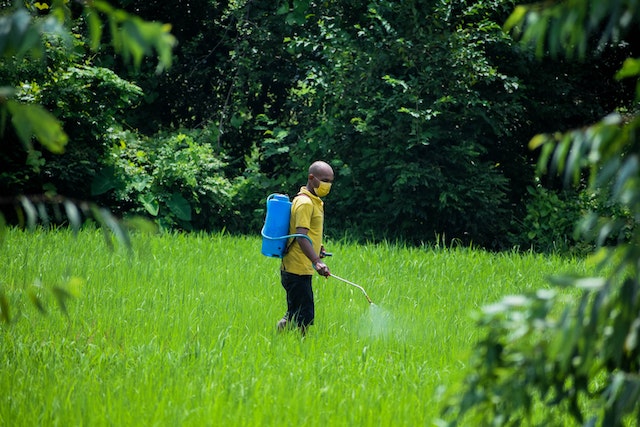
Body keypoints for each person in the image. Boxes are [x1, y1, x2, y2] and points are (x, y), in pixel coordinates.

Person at [277, 160, 334, 334]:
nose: (328, 185)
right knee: (303, 317)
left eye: (330, 181)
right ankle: (299, 348)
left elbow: (308, 234)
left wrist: (318, 249)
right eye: (324, 180)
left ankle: (285, 341)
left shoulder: (313, 201)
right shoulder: (305, 203)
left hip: (300, 267)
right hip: (296, 268)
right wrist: (316, 261)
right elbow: (301, 236)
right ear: (311, 178)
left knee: (296, 313)